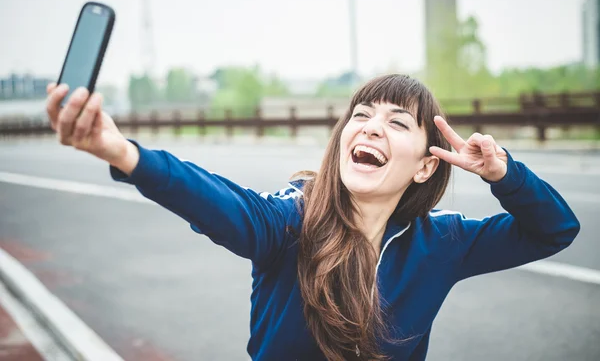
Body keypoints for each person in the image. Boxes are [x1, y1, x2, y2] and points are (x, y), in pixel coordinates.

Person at [45, 74, 580, 361]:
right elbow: (223, 203)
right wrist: (125, 154)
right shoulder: (292, 220)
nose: (370, 128)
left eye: (397, 122)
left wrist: (504, 174)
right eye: (361, 116)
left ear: (423, 167)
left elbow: (555, 229)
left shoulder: (443, 241)